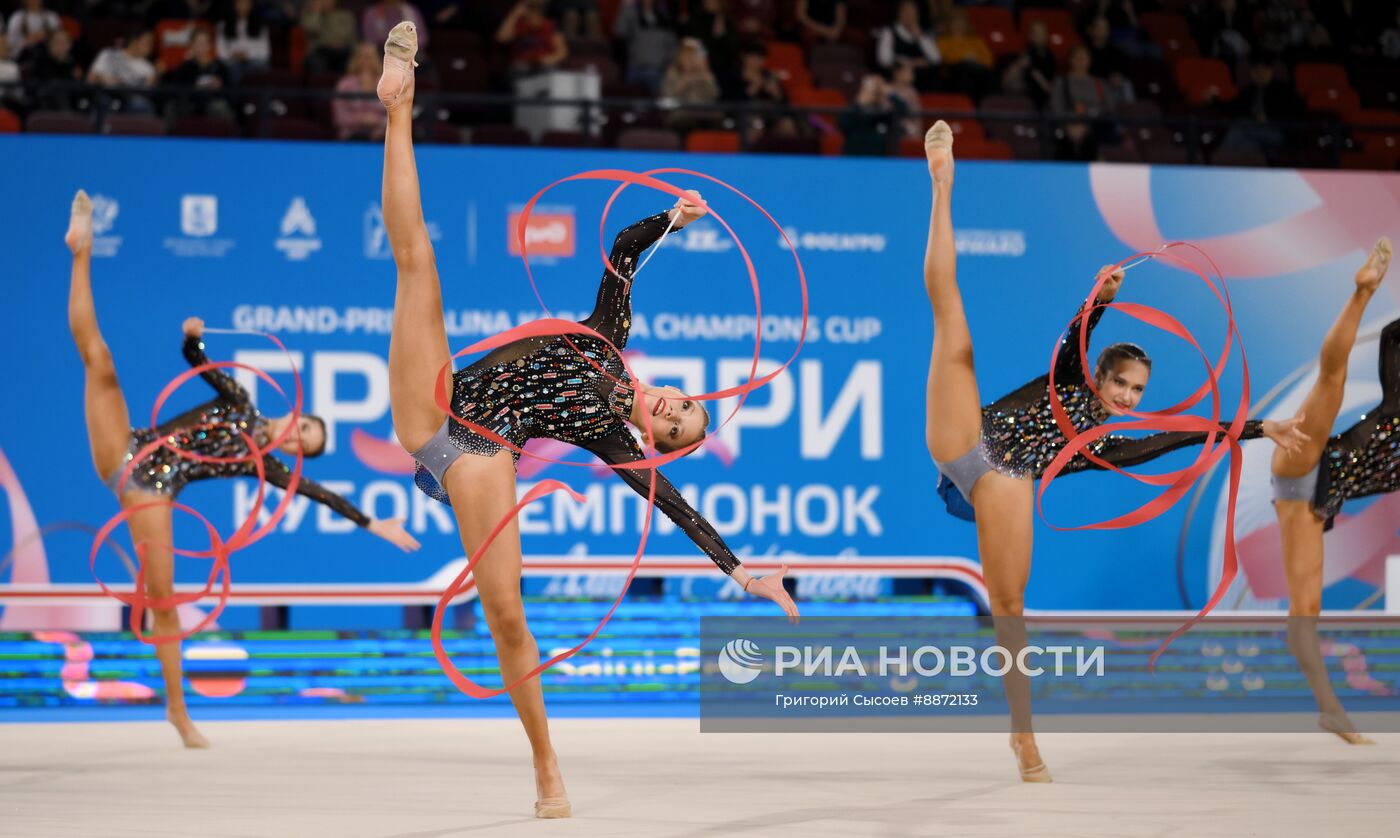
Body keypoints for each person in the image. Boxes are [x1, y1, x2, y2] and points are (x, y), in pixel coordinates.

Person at [373, 21, 798, 816]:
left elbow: (676, 508)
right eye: (688, 406)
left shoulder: (611, 436)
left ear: (656, 440)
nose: (676, 412)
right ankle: (398, 105)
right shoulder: (610, 335)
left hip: (478, 451)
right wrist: (673, 217)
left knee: (508, 615)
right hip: (440, 395)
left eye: (677, 430)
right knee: (416, 258)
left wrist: (742, 571)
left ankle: (545, 766)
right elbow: (623, 255)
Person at [917, 121, 1307, 781]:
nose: (1127, 396)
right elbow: (1075, 338)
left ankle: (1023, 736)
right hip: (966, 436)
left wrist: (1260, 429)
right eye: (1121, 382)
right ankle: (942, 185)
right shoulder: (1072, 380)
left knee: (1011, 608)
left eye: (1138, 389)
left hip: (1004, 479)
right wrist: (1099, 301)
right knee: (951, 317)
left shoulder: (1114, 443)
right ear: (1101, 376)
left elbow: (1179, 436)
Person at [62, 191, 420, 748]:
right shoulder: (241, 401)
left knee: (165, 601)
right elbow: (197, 362)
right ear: (297, 415)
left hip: (151, 490)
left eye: (309, 444)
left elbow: (322, 496)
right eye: (307, 428)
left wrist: (376, 525)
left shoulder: (269, 466)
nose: (300, 438)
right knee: (99, 359)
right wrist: (191, 335)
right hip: (126, 447)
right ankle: (80, 251)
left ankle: (178, 712)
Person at [1269, 238, 1392, 746]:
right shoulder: (1300, 515)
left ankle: (1330, 710)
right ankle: (1361, 293)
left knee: (1306, 615)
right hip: (1302, 473)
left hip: (1327, 476)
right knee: (1332, 380)